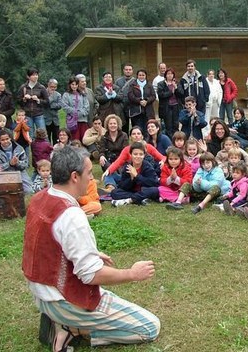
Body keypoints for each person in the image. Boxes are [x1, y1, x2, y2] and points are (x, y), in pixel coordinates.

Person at [22, 145, 160, 351]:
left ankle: (63, 322)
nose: (92, 179)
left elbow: (46, 244)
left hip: (40, 294)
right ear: (74, 176)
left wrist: (91, 253)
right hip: (62, 301)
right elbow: (90, 275)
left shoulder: (40, 198)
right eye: (89, 173)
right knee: (150, 327)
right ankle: (72, 328)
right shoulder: (71, 214)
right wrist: (132, 273)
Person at [102, 125, 164, 191]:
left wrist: (162, 161)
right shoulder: (127, 149)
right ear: (130, 137)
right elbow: (118, 162)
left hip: (144, 177)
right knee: (109, 175)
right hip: (129, 176)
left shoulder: (148, 147)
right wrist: (109, 170)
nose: (136, 135)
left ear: (142, 136)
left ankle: (118, 189)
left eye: (138, 133)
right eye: (134, 134)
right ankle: (111, 188)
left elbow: (162, 157)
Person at [110, 142, 160, 207]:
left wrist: (137, 176)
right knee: (114, 192)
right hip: (132, 192)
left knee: (155, 190)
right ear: (130, 155)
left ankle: (129, 200)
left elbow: (154, 183)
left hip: (144, 190)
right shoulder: (127, 167)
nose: (138, 156)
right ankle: (141, 199)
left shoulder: (147, 166)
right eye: (135, 154)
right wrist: (131, 179)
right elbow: (122, 186)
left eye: (141, 154)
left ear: (144, 155)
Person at [0, 130, 33, 194]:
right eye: (2, 140)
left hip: (19, 171)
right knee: (6, 192)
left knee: (29, 191)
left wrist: (17, 163)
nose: (5, 141)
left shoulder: (19, 148)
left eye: (7, 139)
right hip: (5, 173)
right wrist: (9, 164)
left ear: (10, 138)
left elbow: (25, 165)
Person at [98, 115, 129, 190]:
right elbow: (101, 150)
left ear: (118, 125)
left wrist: (117, 163)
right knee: (104, 162)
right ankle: (112, 185)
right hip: (108, 161)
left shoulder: (124, 135)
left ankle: (111, 186)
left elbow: (126, 151)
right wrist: (101, 156)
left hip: (121, 160)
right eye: (110, 123)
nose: (113, 125)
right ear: (107, 125)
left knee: (108, 173)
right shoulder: (104, 137)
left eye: (114, 123)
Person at [17, 67, 49, 139]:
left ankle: (44, 149)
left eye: (36, 75)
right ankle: (33, 149)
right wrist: (24, 99)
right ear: (28, 76)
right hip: (27, 115)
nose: (35, 76)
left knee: (43, 134)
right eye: (33, 75)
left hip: (39, 114)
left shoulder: (41, 87)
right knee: (30, 135)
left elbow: (47, 102)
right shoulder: (23, 87)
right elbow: (18, 101)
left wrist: (38, 100)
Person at [127, 69, 156, 139]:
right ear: (137, 76)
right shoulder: (132, 85)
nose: (141, 76)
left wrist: (147, 101)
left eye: (143, 75)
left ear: (145, 76)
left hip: (148, 111)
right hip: (137, 111)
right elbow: (130, 96)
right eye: (140, 75)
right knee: (138, 129)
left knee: (147, 129)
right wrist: (139, 101)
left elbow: (153, 96)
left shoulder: (149, 85)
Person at [62, 77, 90, 141]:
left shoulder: (82, 94)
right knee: (75, 140)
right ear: (69, 85)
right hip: (72, 121)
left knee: (84, 139)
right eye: (72, 84)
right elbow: (65, 107)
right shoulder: (66, 95)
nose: (74, 86)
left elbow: (87, 107)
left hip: (82, 120)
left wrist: (80, 113)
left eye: (76, 84)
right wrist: (75, 112)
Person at [157, 68, 179, 137]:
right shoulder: (161, 84)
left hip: (176, 106)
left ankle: (176, 139)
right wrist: (171, 92)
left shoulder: (176, 83)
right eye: (168, 74)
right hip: (166, 107)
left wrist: (176, 88)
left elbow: (181, 94)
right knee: (168, 125)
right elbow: (161, 95)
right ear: (165, 75)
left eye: (171, 74)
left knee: (175, 125)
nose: (170, 75)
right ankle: (169, 140)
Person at [115, 63, 136, 135]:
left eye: (130, 70)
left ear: (132, 71)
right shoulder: (118, 81)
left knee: (135, 127)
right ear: (123, 71)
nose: (128, 71)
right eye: (126, 69)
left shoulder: (136, 81)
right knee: (124, 127)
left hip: (133, 107)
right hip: (122, 107)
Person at [44, 79, 62, 144]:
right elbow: (44, 104)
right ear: (48, 86)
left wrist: (50, 105)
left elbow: (60, 105)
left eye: (55, 87)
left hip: (55, 120)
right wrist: (51, 98)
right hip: (46, 120)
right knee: (46, 138)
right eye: (51, 87)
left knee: (56, 138)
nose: (53, 88)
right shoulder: (43, 93)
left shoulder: (58, 95)